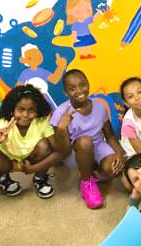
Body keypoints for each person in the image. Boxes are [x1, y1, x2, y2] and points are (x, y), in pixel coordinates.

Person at [50, 69, 125, 209]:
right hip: (75, 151)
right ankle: (87, 182)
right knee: (85, 141)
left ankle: (92, 171)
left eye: (82, 85)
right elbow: (63, 150)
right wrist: (61, 129)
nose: (79, 90)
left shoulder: (100, 106)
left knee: (114, 169)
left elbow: (109, 135)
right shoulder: (61, 112)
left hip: (97, 145)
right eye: (72, 88)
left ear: (88, 84)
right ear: (66, 92)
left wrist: (119, 154)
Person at [0, 85, 64, 198]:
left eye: (31, 110)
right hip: (7, 159)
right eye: (20, 110)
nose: (25, 115)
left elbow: (59, 152)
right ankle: (3, 179)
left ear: (37, 110)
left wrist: (33, 169)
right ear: (12, 109)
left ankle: (39, 178)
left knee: (45, 146)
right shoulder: (2, 123)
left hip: (31, 158)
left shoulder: (41, 122)